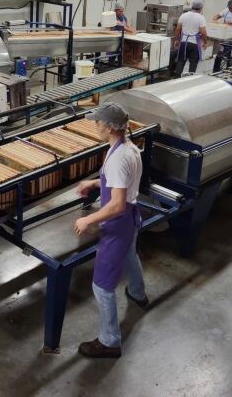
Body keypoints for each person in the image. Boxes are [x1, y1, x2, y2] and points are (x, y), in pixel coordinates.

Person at [74, 102, 147, 359]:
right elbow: (121, 182)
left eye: (97, 122)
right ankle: (138, 293)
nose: (95, 126)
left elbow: (116, 204)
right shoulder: (130, 148)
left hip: (118, 223)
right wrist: (94, 182)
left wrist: (89, 220)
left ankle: (109, 341)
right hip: (132, 217)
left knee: (102, 285)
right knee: (130, 254)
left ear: (108, 127)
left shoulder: (117, 158)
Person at [174, 0, 208, 77]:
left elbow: (177, 29)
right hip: (194, 44)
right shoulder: (201, 18)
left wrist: (176, 39)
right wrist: (205, 43)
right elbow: (203, 32)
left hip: (184, 43)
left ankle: (176, 79)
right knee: (193, 63)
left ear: (192, 7)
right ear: (200, 8)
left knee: (180, 62)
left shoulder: (183, 15)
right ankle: (189, 80)